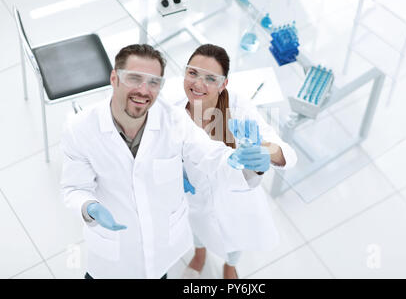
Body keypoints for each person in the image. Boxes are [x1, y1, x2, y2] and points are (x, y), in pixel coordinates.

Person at [60, 44, 272, 279]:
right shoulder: (80, 129)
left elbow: (211, 156)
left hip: (160, 253)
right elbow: (74, 188)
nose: (143, 90)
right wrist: (88, 207)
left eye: (153, 82)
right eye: (134, 78)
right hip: (111, 258)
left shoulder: (174, 120)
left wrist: (251, 165)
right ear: (114, 78)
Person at [176, 44, 297, 279]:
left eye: (210, 78)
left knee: (234, 236)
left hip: (234, 196)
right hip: (193, 194)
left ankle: (229, 266)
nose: (198, 84)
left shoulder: (237, 106)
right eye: (193, 73)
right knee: (198, 227)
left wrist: (263, 151)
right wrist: (175, 171)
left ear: (224, 84)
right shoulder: (173, 108)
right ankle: (199, 254)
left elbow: (286, 153)